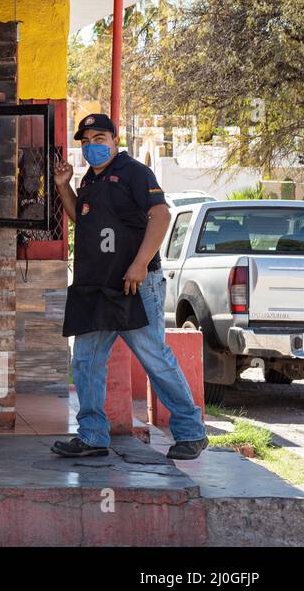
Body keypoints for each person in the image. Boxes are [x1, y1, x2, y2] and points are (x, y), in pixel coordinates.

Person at [51, 113, 209, 461]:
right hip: (96, 285)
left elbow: (161, 215)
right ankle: (92, 435)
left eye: (100, 139)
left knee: (153, 356)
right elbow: (84, 218)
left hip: (134, 284)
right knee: (86, 361)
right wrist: (64, 186)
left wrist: (139, 265)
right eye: (86, 141)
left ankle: (191, 432)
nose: (93, 146)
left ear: (115, 140)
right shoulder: (90, 180)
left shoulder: (136, 172)